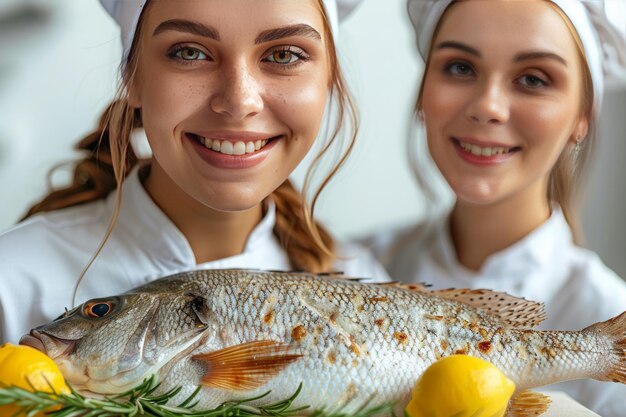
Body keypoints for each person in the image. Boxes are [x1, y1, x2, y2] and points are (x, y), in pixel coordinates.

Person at [0, 0, 388, 345]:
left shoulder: (365, 288)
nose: (239, 101)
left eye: (284, 55)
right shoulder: (13, 283)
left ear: (328, 81)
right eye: (189, 52)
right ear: (132, 77)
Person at [365, 0, 626, 415]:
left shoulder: (609, 318)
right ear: (421, 94)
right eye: (460, 68)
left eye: (534, 79)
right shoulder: (351, 265)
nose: (488, 106)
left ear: (583, 115)